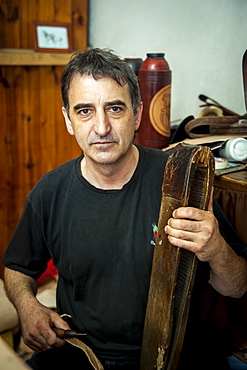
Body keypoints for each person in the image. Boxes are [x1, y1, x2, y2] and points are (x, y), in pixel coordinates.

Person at [2, 48, 247, 370]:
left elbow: (238, 285)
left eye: (115, 109)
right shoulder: (49, 192)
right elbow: (18, 268)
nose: (101, 127)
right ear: (68, 120)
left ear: (137, 114)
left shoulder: (180, 181)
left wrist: (215, 248)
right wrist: (29, 308)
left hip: (175, 356)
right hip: (81, 353)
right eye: (85, 111)